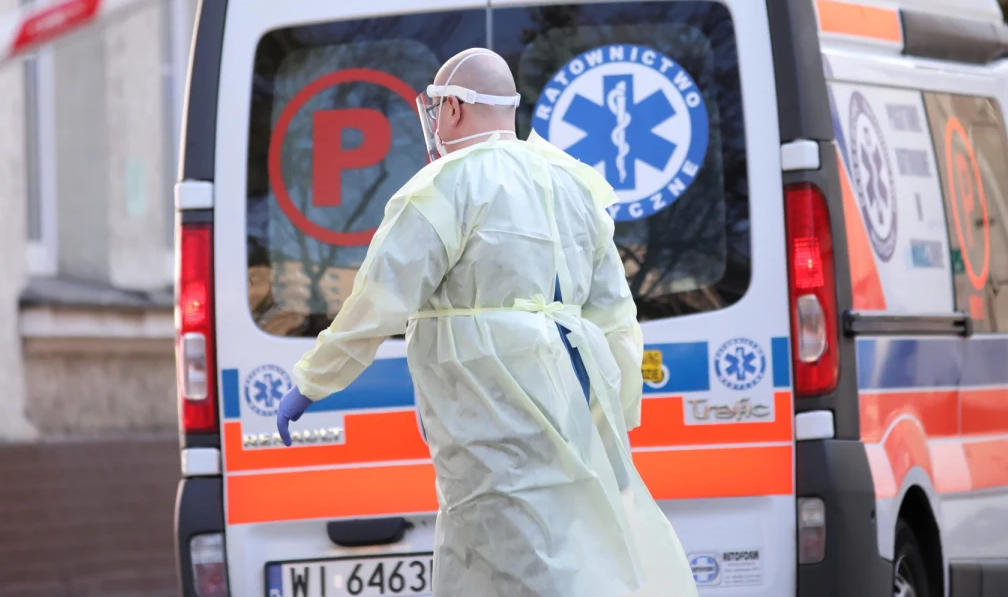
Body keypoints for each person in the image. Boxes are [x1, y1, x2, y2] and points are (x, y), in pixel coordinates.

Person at [276, 48, 696, 597]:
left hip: (485, 415)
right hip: (573, 412)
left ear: (452, 109)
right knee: (575, 553)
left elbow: (376, 301)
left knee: (509, 559)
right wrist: (617, 413)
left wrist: (312, 380)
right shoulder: (576, 185)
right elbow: (616, 314)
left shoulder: (444, 187)